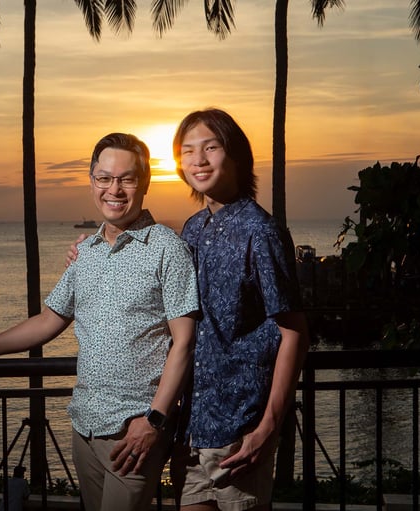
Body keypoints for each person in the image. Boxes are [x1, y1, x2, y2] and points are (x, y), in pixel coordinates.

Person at [0, 132, 198, 511]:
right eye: (104, 177)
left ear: (145, 183)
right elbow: (49, 320)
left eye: (126, 178)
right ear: (91, 182)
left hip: (133, 433)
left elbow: (184, 342)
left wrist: (153, 421)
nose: (114, 189)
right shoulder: (84, 253)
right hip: (83, 427)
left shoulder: (167, 248)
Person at [66, 109, 309, 511]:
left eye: (210, 148)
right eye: (187, 150)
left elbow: (294, 332)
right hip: (189, 427)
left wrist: (268, 427)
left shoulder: (261, 232)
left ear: (236, 156)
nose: (197, 160)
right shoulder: (194, 229)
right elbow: (153, 273)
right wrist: (90, 250)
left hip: (239, 426)